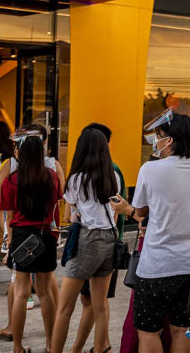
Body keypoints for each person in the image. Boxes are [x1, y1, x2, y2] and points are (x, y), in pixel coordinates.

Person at [110, 114, 190, 353]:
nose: (155, 142)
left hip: (156, 266)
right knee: (182, 329)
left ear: (169, 140)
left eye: (158, 136)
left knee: (148, 331)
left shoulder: (150, 169)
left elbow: (141, 210)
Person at [50, 127, 120, 353]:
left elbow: (70, 214)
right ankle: (100, 349)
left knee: (64, 307)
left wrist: (77, 215)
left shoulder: (77, 179)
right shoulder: (113, 176)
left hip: (88, 239)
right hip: (109, 238)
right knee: (101, 306)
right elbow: (113, 210)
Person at [0, 135, 62, 353]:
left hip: (21, 235)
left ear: (22, 154)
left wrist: (9, 241)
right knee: (45, 292)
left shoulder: (12, 179)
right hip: (45, 235)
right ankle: (51, 344)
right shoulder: (51, 176)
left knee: (20, 293)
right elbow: (57, 202)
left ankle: (17, 347)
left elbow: (8, 214)